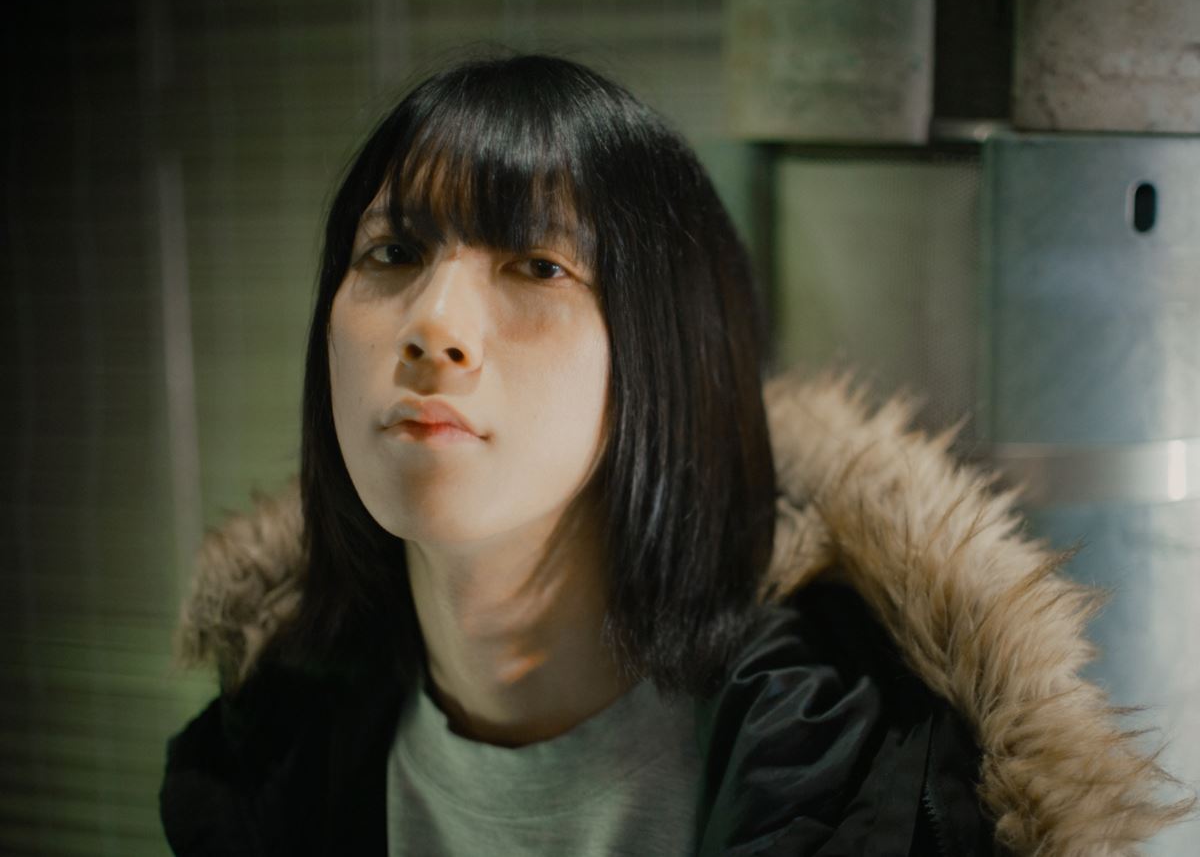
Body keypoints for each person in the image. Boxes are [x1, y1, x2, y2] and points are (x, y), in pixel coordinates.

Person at [159, 55, 1190, 856]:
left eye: (537, 264)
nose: (435, 326)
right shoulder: (262, 764)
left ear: (668, 353)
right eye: (392, 252)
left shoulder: (877, 782)